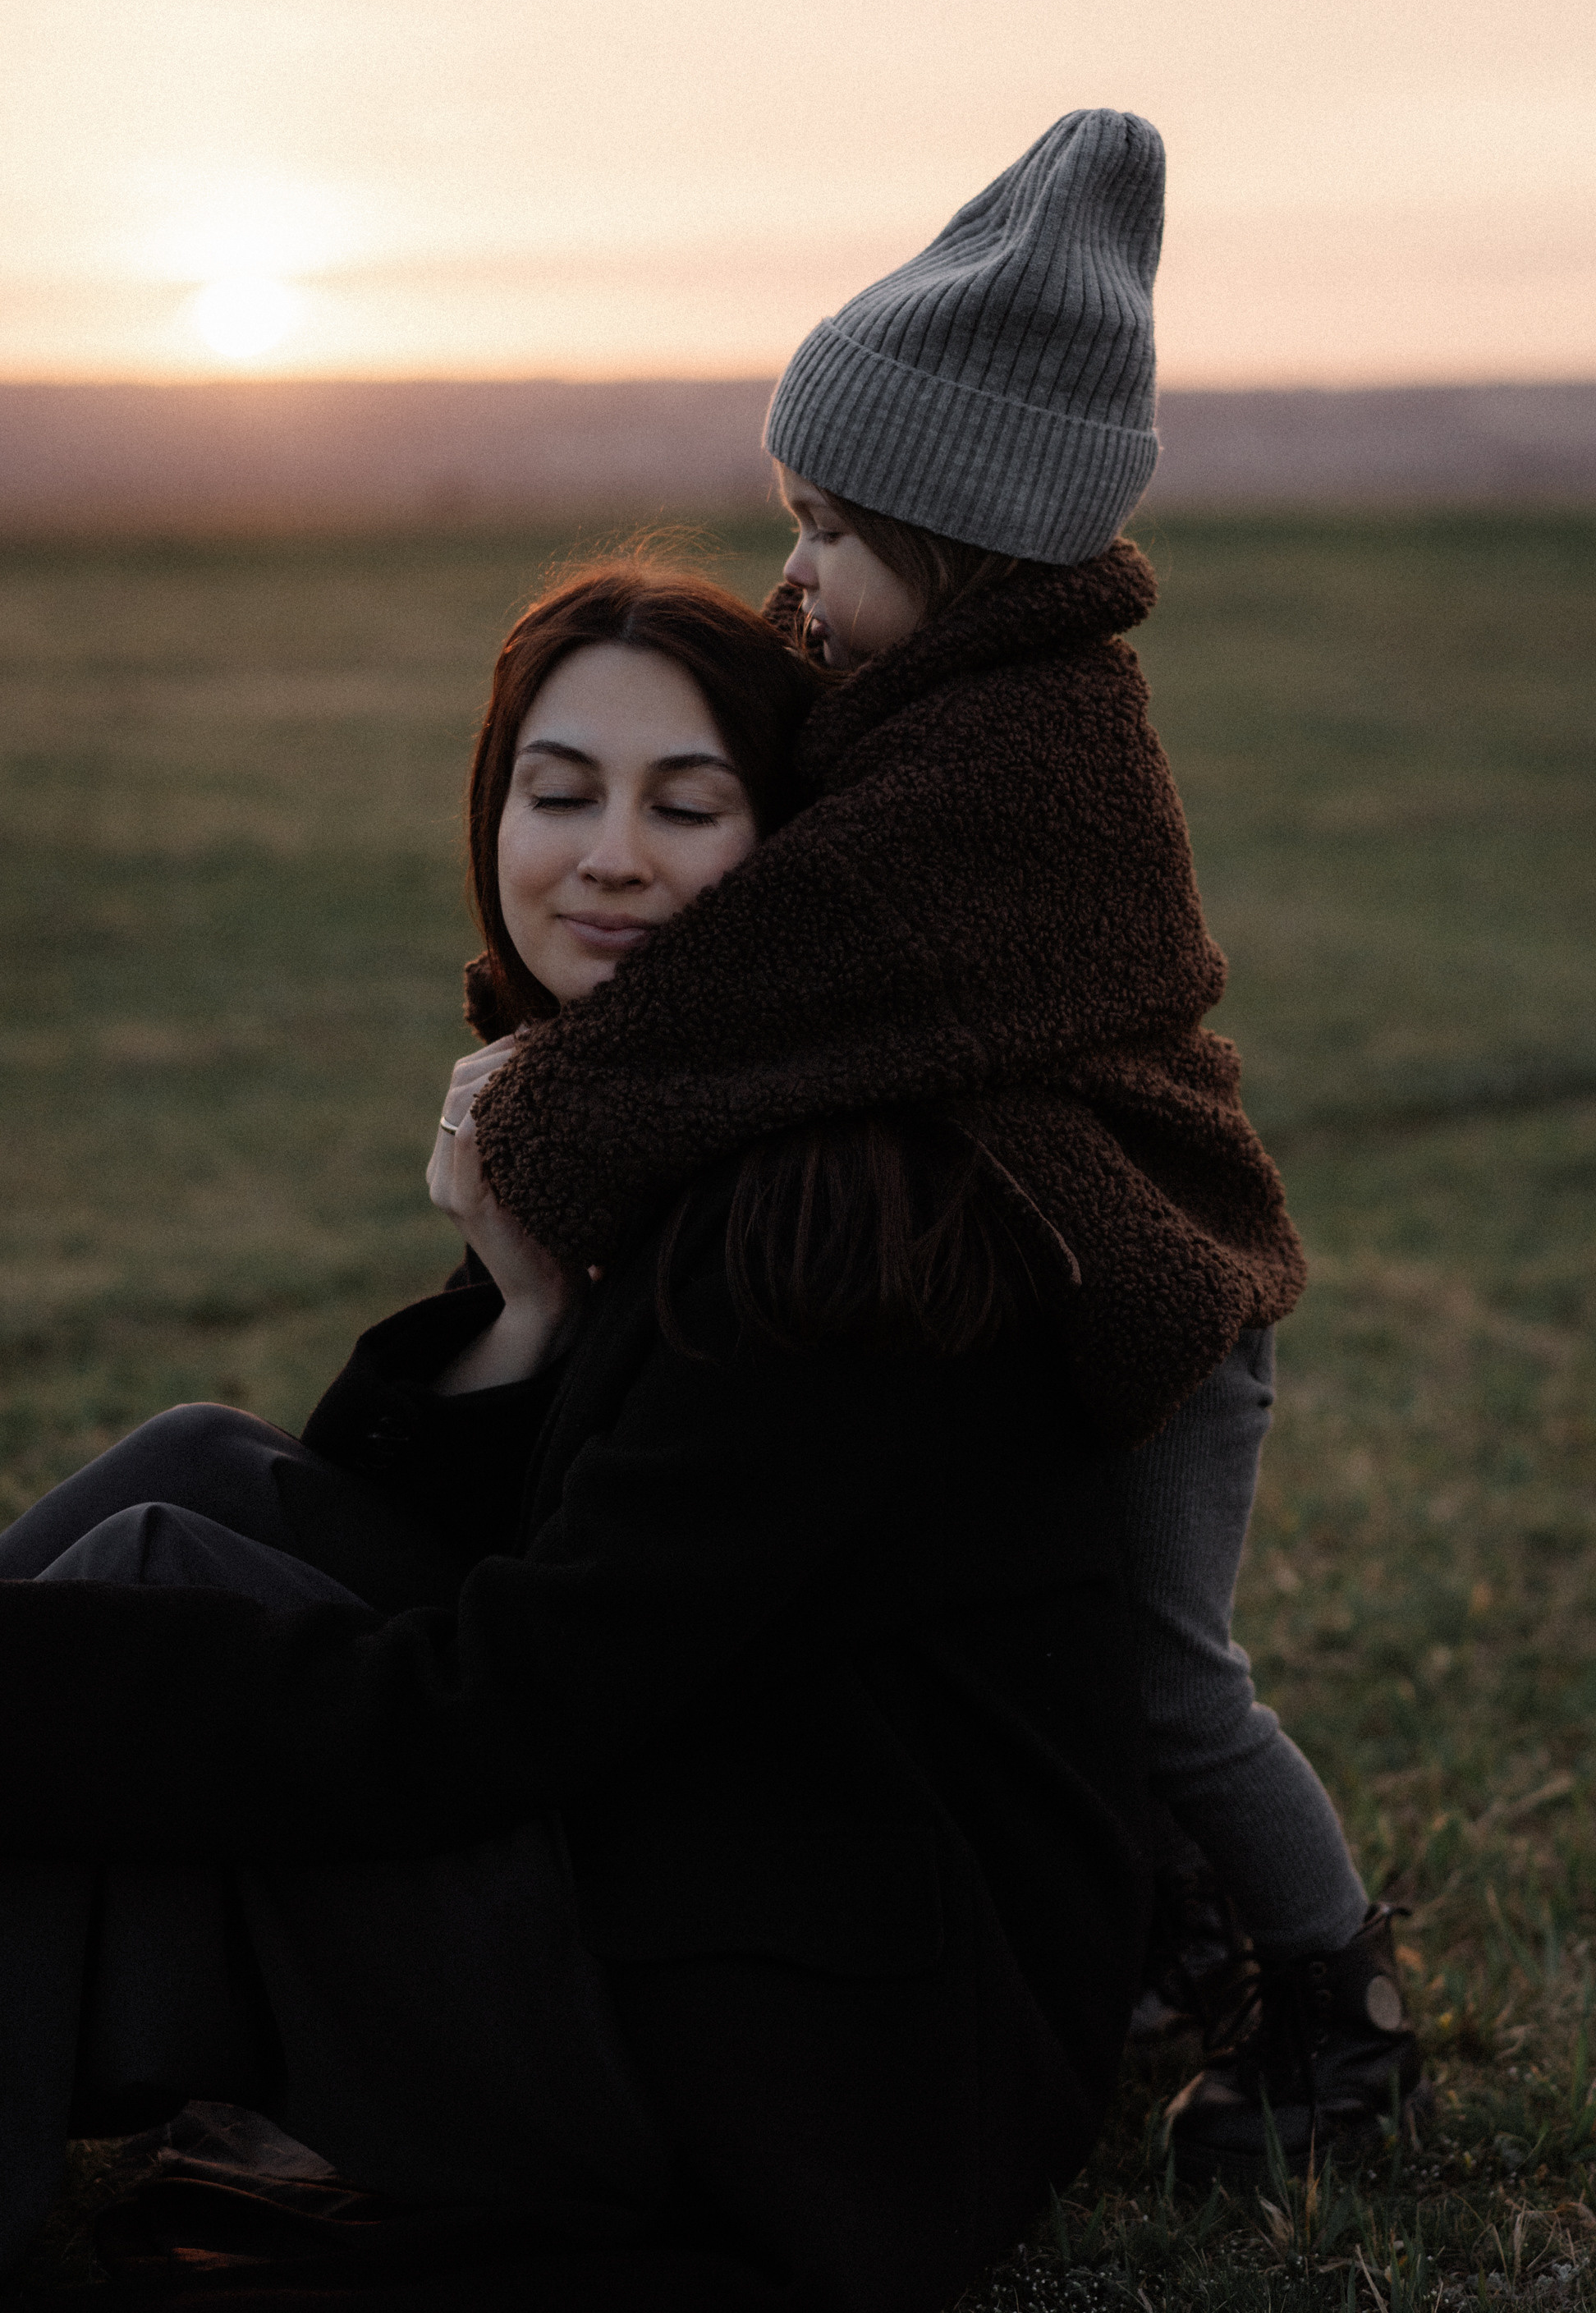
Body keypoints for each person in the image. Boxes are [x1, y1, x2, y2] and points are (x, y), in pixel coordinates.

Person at [0, 565, 1150, 2313]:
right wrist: (519, 1306)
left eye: (690, 806)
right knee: (200, 1472)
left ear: (794, 848)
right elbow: (530, 1562)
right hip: (716, 1856)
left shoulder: (838, 1219)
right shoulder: (684, 1107)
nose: (608, 856)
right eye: (559, 788)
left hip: (826, 2071)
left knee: (133, 1609)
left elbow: (493, 1710)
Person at [465, 109, 1429, 2182]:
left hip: (1154, 1288)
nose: (789, 574)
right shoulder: (941, 701)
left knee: (1170, 1672)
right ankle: (1156, 1938)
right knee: (1053, 1633)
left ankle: (1333, 1999)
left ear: (958, 528)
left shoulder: (1024, 755)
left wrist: (545, 1109)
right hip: (1047, 1262)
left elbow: (771, 974)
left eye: (825, 528)